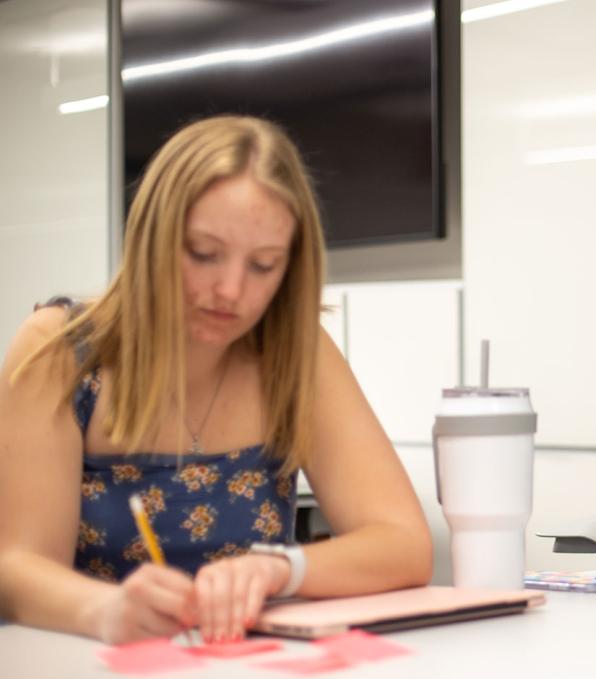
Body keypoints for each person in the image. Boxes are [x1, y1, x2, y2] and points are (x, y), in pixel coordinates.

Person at [0, 115, 433, 645]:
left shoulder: (296, 352)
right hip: (97, 678)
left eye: (264, 265)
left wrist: (282, 568)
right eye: (203, 254)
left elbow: (404, 544)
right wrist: (105, 610)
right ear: (151, 238)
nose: (230, 290)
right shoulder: (62, 351)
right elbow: (17, 570)